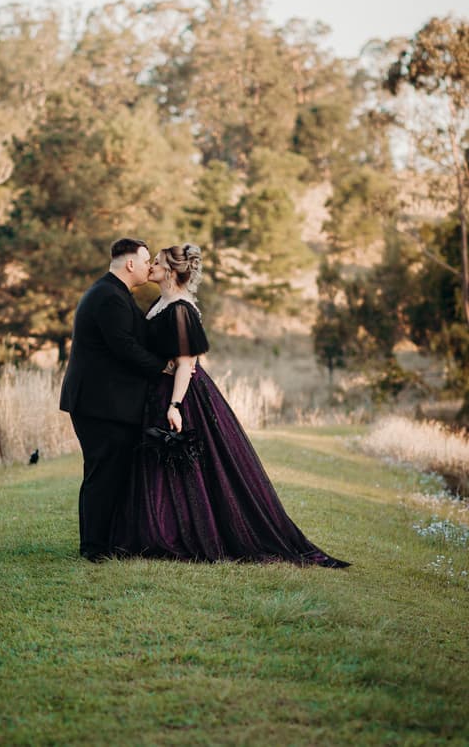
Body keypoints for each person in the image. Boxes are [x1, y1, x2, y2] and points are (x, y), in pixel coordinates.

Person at [112, 243, 350, 568]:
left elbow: (186, 363)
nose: (150, 266)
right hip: (158, 390)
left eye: (156, 262)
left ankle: (184, 532)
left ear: (169, 271)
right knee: (160, 462)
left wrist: (175, 405)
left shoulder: (181, 308)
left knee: (187, 463)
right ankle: (156, 529)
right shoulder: (162, 302)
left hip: (181, 394)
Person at [59, 238, 170, 562]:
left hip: (106, 403)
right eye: (146, 260)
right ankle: (93, 548)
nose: (150, 266)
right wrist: (162, 366)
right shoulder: (109, 297)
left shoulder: (114, 294)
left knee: (111, 472)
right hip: (99, 404)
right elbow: (123, 346)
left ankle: (107, 542)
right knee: (102, 473)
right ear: (130, 264)